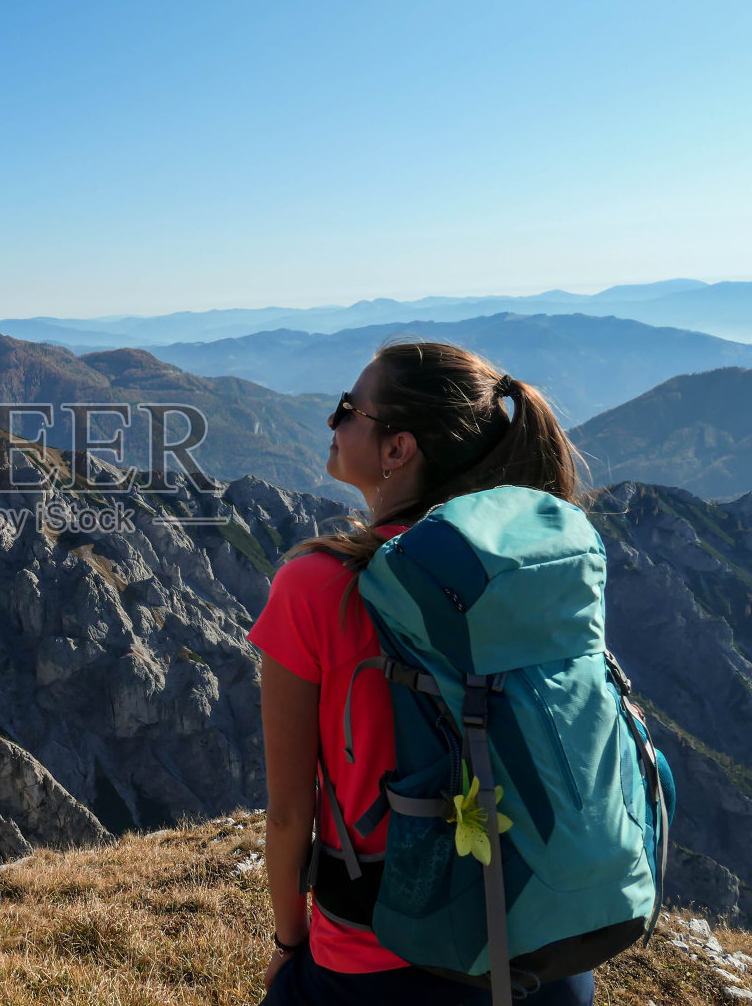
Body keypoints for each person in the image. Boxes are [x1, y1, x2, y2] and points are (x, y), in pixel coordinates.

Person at [247, 341, 596, 1006]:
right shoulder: (531, 572)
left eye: (348, 409)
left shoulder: (317, 586)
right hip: (550, 957)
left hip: (384, 966)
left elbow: (291, 814)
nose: (332, 422)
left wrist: (290, 945)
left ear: (397, 448)